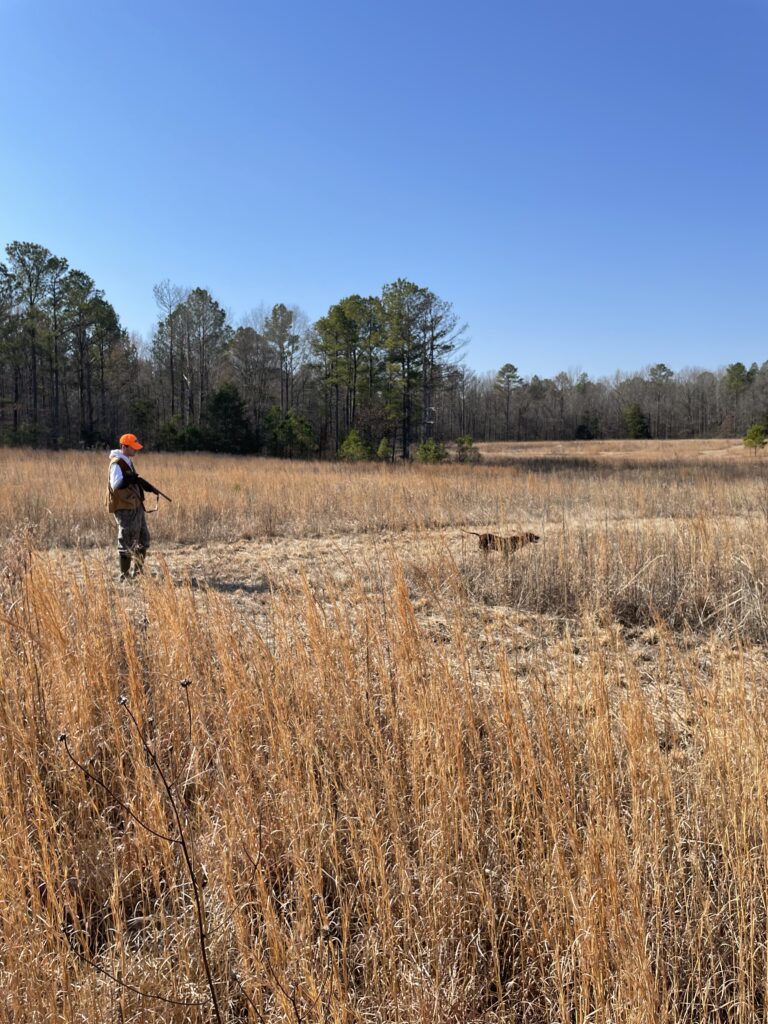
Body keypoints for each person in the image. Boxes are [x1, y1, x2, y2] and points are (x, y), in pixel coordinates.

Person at [107, 433, 152, 580]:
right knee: (126, 540)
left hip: (135, 505)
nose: (135, 450)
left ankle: (138, 574)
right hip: (125, 507)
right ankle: (124, 576)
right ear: (124, 447)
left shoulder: (127, 460)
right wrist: (128, 479)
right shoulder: (116, 463)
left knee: (143, 539)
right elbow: (115, 485)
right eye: (133, 448)